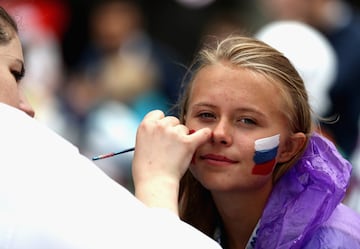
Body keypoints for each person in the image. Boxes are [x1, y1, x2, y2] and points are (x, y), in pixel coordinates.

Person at [0, 6, 222, 249]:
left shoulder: (158, 57)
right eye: (15, 73)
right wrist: (157, 184)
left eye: (246, 120)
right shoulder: (33, 163)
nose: (27, 107)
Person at [132, 35, 360, 248]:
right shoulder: (188, 215)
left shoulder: (335, 240)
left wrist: (157, 187)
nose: (219, 133)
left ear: (289, 148)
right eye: (206, 115)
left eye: (247, 121)